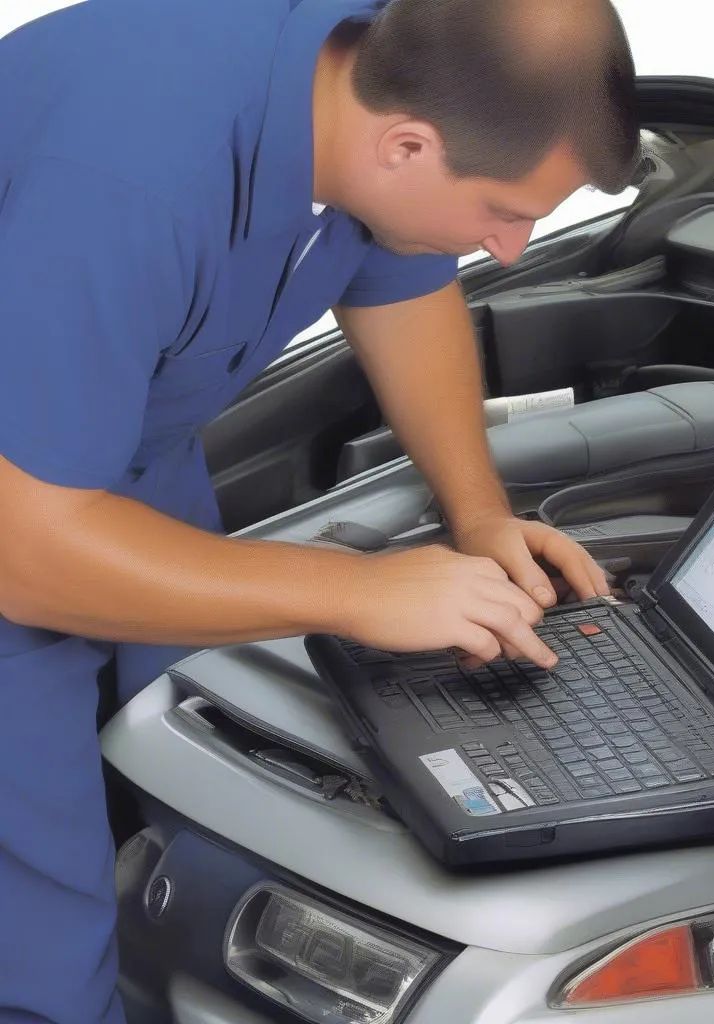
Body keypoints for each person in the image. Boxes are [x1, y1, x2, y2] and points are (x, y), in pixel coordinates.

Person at [0, 0, 639, 1020]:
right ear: (407, 147)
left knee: (205, 759)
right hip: (21, 518)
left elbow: (403, 279)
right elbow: (27, 555)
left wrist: (477, 515)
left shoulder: (377, 69)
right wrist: (354, 592)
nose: (512, 250)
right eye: (502, 211)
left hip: (109, 444)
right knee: (37, 942)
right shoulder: (129, 181)